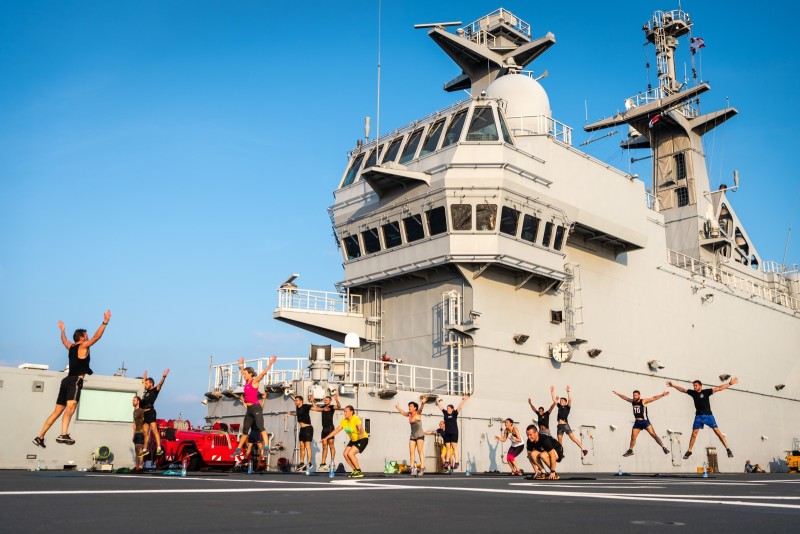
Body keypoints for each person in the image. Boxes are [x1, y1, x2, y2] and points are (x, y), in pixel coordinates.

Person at [33, 310, 111, 448]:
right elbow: (97, 336)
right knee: (71, 407)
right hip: (75, 380)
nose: (88, 337)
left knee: (57, 412)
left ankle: (40, 437)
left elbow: (64, 340)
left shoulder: (71, 346)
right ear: (81, 338)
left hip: (66, 380)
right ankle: (63, 434)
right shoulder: (83, 346)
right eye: (86, 335)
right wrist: (105, 322)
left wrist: (62, 330)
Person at [667, 378, 738, 459]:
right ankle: (689, 451)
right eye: (694, 386)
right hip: (698, 417)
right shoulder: (693, 393)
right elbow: (682, 390)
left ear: (700, 386)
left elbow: (719, 388)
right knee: (694, 434)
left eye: (696, 385)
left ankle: (728, 449)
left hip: (708, 416)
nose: (694, 387)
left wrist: (729, 384)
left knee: (718, 433)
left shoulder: (706, 392)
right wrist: (673, 386)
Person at [230, 356, 277, 458]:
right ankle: (238, 449)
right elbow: (243, 371)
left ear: (250, 374)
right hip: (249, 410)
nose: (243, 375)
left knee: (261, 427)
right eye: (243, 374)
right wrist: (241, 365)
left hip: (256, 408)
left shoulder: (254, 382)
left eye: (245, 374)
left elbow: (263, 374)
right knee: (245, 431)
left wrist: (270, 364)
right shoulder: (246, 382)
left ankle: (266, 448)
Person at [612, 389, 671, 457]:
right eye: (633, 395)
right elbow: (625, 398)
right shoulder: (633, 401)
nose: (634, 397)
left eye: (636, 395)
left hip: (645, 421)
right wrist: (618, 394)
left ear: (639, 395)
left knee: (654, 435)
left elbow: (653, 398)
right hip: (637, 422)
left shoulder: (643, 401)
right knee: (633, 437)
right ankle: (630, 451)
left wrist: (662, 395)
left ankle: (663, 447)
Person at [321, 405, 368, 478]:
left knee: (350, 453)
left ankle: (359, 471)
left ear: (351, 412)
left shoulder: (355, 418)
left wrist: (361, 433)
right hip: (353, 440)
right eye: (344, 411)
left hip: (362, 439)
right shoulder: (344, 421)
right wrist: (326, 438)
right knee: (345, 454)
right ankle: (355, 470)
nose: (344, 413)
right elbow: (336, 430)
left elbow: (360, 427)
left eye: (346, 411)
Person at [138, 368, 170, 458]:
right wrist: (145, 378)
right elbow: (145, 383)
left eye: (147, 383)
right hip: (145, 413)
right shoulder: (147, 391)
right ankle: (145, 449)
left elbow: (160, 384)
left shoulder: (155, 390)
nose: (145, 385)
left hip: (151, 412)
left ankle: (159, 448)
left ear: (151, 384)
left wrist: (164, 376)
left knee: (154, 429)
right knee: (145, 432)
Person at [396, 395, 429, 476]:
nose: (409, 407)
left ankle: (422, 467)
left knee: (420, 451)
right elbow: (403, 413)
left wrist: (423, 403)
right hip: (413, 435)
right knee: (411, 453)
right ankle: (412, 469)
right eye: (409, 406)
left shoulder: (418, 413)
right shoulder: (409, 414)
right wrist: (398, 408)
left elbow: (421, 409)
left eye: (411, 406)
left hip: (420, 435)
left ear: (415, 408)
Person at [551, 385, 588, 457]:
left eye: (562, 401)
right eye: (560, 400)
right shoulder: (559, 406)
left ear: (565, 402)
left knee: (572, 438)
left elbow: (570, 399)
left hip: (565, 425)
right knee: (559, 439)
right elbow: (554, 400)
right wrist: (552, 392)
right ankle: (560, 453)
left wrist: (568, 392)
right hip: (559, 426)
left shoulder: (567, 407)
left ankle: (583, 449)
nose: (561, 401)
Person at [310, 391, 341, 471]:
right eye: (325, 400)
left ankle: (332, 461)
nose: (325, 401)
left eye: (326, 400)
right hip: (324, 428)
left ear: (330, 401)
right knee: (324, 446)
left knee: (331, 445)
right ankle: (323, 463)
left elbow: (339, 407)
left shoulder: (331, 407)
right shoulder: (323, 407)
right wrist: (312, 400)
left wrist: (337, 400)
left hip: (330, 428)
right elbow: (316, 408)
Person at [436, 394, 469, 470]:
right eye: (447, 408)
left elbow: (459, 407)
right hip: (447, 433)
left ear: (452, 409)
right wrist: (437, 401)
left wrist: (464, 400)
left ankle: (457, 462)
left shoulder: (454, 413)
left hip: (454, 432)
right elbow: (441, 407)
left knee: (454, 447)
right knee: (448, 447)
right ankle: (447, 461)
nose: (447, 409)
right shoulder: (445, 413)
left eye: (448, 408)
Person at [289, 394, 314, 471]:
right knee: (301, 446)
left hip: (308, 428)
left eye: (296, 401)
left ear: (301, 401)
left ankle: (309, 462)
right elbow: (297, 414)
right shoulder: (297, 408)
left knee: (307, 445)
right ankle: (301, 462)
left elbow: (315, 408)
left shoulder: (306, 406)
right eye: (295, 401)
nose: (295, 402)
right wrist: (290, 413)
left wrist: (313, 401)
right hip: (302, 429)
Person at [132, 396, 145, 472]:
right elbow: (134, 423)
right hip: (136, 432)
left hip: (141, 432)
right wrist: (133, 434)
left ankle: (140, 466)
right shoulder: (134, 411)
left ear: (138, 401)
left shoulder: (141, 411)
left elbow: (145, 422)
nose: (133, 402)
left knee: (140, 449)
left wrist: (145, 433)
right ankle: (136, 466)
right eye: (132, 400)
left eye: (134, 400)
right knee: (136, 449)